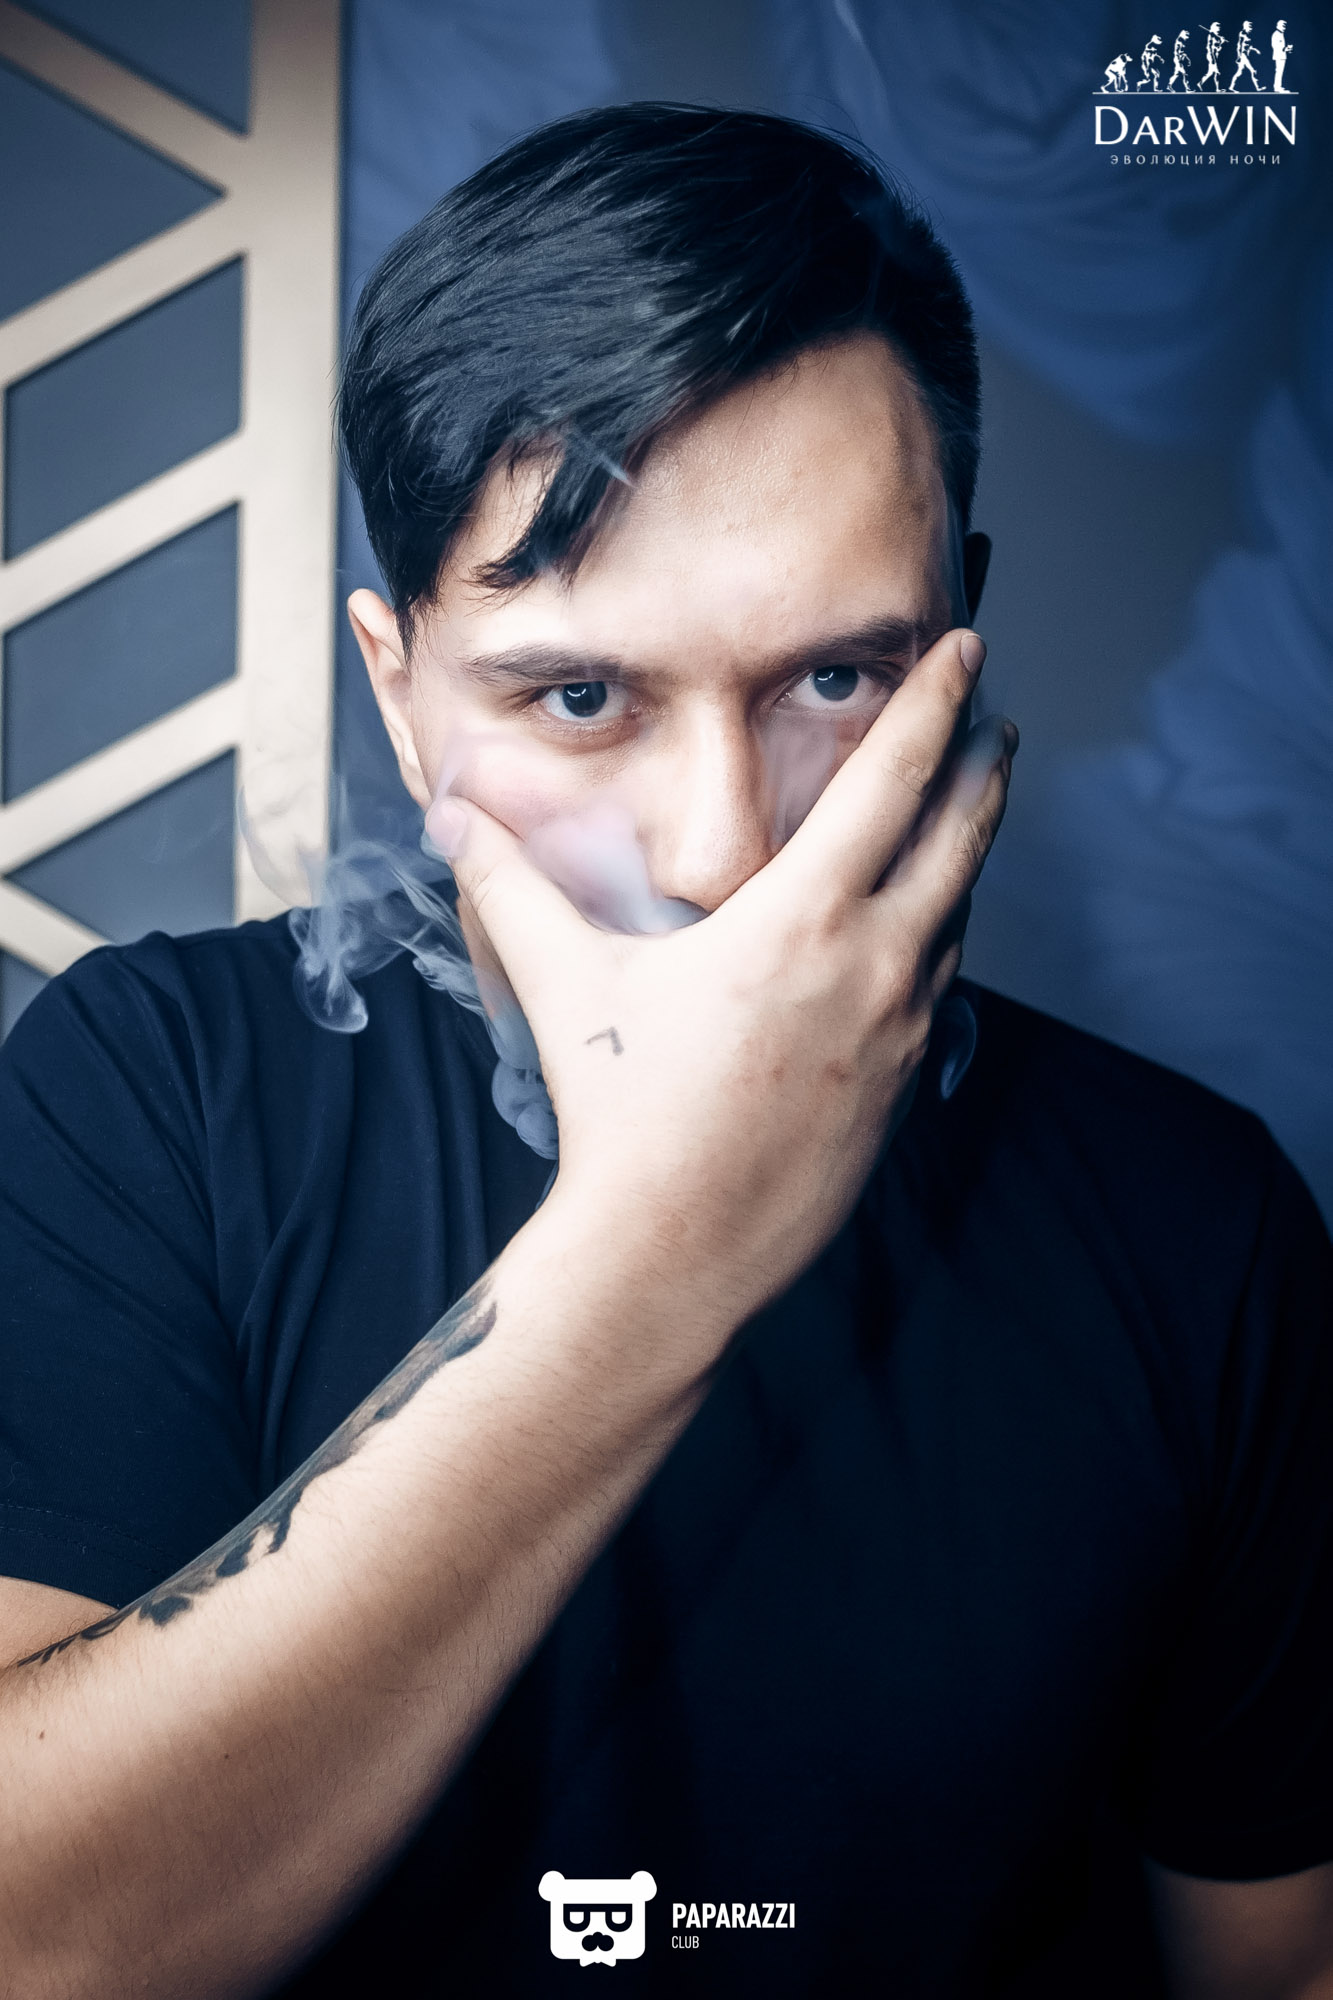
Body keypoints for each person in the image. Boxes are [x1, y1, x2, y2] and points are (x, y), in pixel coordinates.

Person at [0, 106, 1331, 2000]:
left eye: (837, 679)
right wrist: (656, 1257)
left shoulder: (1194, 1227)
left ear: (961, 636)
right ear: (398, 693)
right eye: (576, 695)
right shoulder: (150, 1101)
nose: (719, 849)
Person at [1230, 20, 1265, 90]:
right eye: (1249, 26)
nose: (1251, 28)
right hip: (1243, 55)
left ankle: (1231, 87)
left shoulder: (1249, 35)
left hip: (1246, 54)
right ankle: (1258, 87)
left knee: (1239, 73)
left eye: (1251, 27)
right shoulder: (1242, 33)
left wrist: (1255, 50)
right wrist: (1238, 56)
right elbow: (1239, 46)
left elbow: (1249, 46)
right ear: (1245, 26)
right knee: (1253, 70)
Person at [1199, 20, 1225, 90]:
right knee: (1217, 72)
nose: (1219, 28)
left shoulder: (1218, 37)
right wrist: (1212, 57)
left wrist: (1222, 41)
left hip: (1216, 55)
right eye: (1217, 27)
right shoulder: (1211, 35)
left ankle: (1200, 83)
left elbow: (1218, 48)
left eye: (1219, 27)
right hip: (1211, 55)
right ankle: (1217, 89)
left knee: (1210, 73)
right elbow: (1209, 47)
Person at [1272, 19, 1294, 91]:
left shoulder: (1280, 34)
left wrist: (1287, 48)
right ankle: (1277, 87)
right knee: (1279, 71)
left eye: (1285, 26)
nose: (1284, 28)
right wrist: (1286, 49)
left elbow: (1281, 46)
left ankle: (1278, 87)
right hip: (1279, 56)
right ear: (1278, 26)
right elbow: (1276, 46)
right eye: (1283, 26)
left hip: (1281, 56)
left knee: (1280, 72)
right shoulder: (1276, 34)